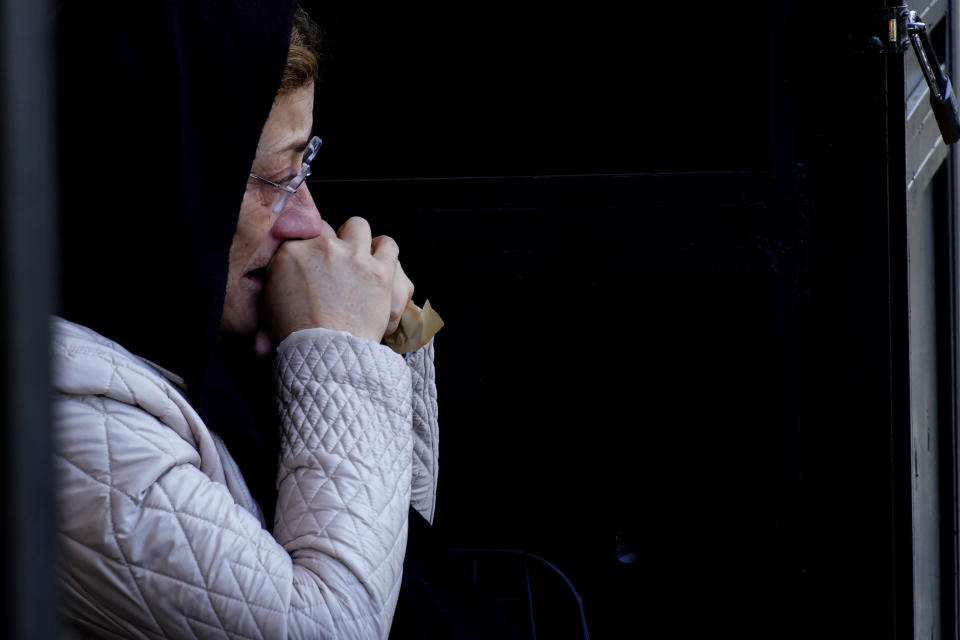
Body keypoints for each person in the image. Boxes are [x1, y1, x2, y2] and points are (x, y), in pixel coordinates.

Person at [52, 3, 441, 638]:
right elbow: (335, 627)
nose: (308, 223)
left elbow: (399, 556)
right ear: (159, 184)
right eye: (276, 178)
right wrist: (341, 347)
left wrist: (388, 335)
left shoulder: (192, 335)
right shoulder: (66, 429)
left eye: (303, 170)